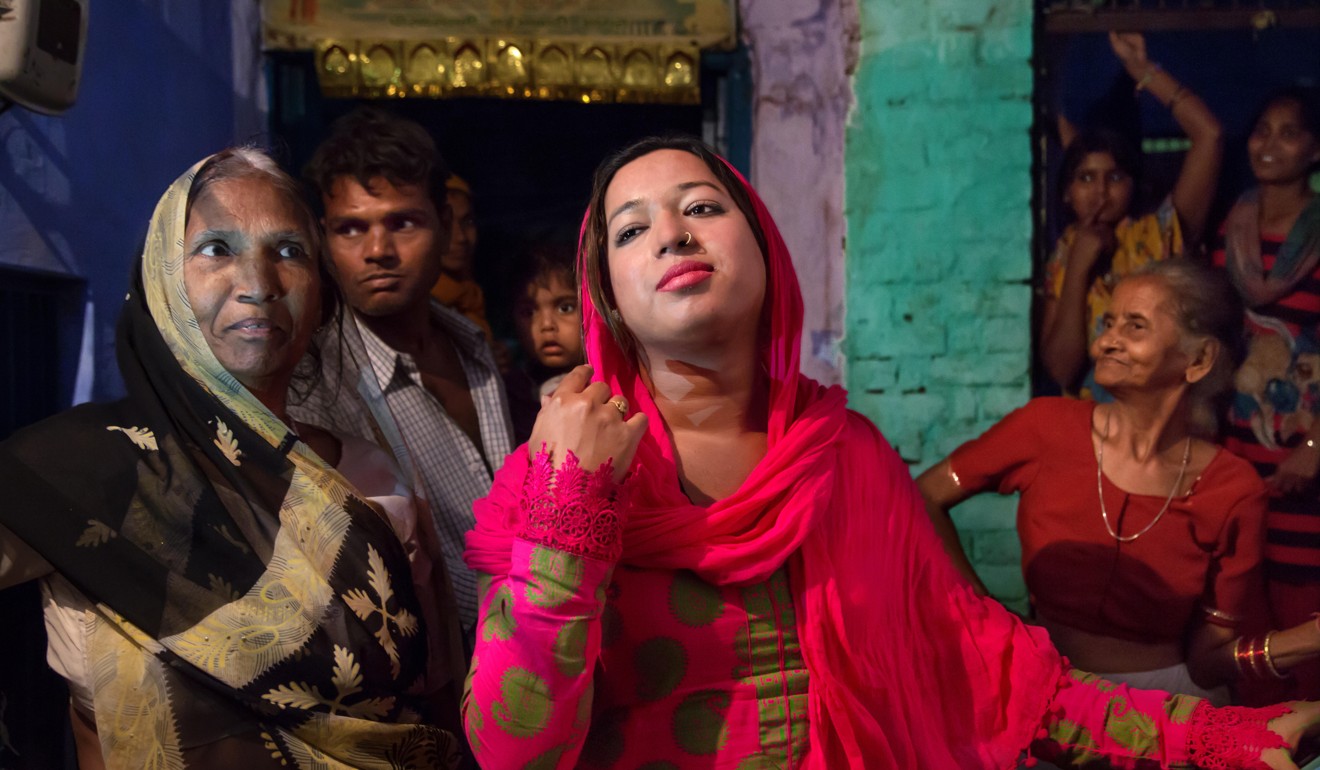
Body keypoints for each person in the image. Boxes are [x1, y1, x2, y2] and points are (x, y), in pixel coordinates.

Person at [460, 135, 1320, 768]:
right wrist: (566, 514)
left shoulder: (845, 459)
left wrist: (1214, 736)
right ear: (606, 296)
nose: (673, 234)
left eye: (702, 208)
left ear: (765, 250)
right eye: (630, 229)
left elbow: (999, 683)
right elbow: (510, 749)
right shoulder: (567, 471)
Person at [0, 149, 462, 768]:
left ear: (322, 297)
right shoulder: (76, 471)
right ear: (162, 286)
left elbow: (435, 693)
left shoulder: (371, 478)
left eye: (289, 252)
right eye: (216, 249)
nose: (258, 284)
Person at [921, 260, 1320, 708]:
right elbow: (921, 498)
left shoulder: (1232, 489)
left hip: (1165, 710)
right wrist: (987, 615)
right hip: (1044, 697)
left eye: (1135, 326)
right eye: (1108, 323)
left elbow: (1208, 661)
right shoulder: (1044, 427)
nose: (1106, 342)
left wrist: (1304, 640)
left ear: (1199, 360)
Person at [298, 108, 515, 637]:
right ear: (324, 240)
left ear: (444, 224)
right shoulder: (318, 389)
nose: (378, 251)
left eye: (402, 222)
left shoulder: (475, 348)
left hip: (528, 647)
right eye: (351, 229)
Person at [1041, 31, 1222, 398]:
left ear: (1133, 185)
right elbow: (1062, 369)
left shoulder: (1160, 234)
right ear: (1067, 192)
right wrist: (1078, 267)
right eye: (1086, 178)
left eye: (1115, 177)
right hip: (1089, 439)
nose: (1100, 192)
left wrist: (1142, 68)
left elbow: (1210, 136)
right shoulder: (1065, 254)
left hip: (1158, 434)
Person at [1213, 86, 1320, 699]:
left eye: (1288, 132)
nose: (1269, 144)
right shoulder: (1234, 226)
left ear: (1314, 149)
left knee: (1305, 620)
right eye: (1261, 130)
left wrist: (1314, 444)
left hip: (1303, 459)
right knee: (1243, 617)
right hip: (1236, 455)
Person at [429, 174, 494, 342]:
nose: (461, 238)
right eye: (446, 224)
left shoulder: (471, 297)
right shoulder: (418, 308)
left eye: (468, 222)